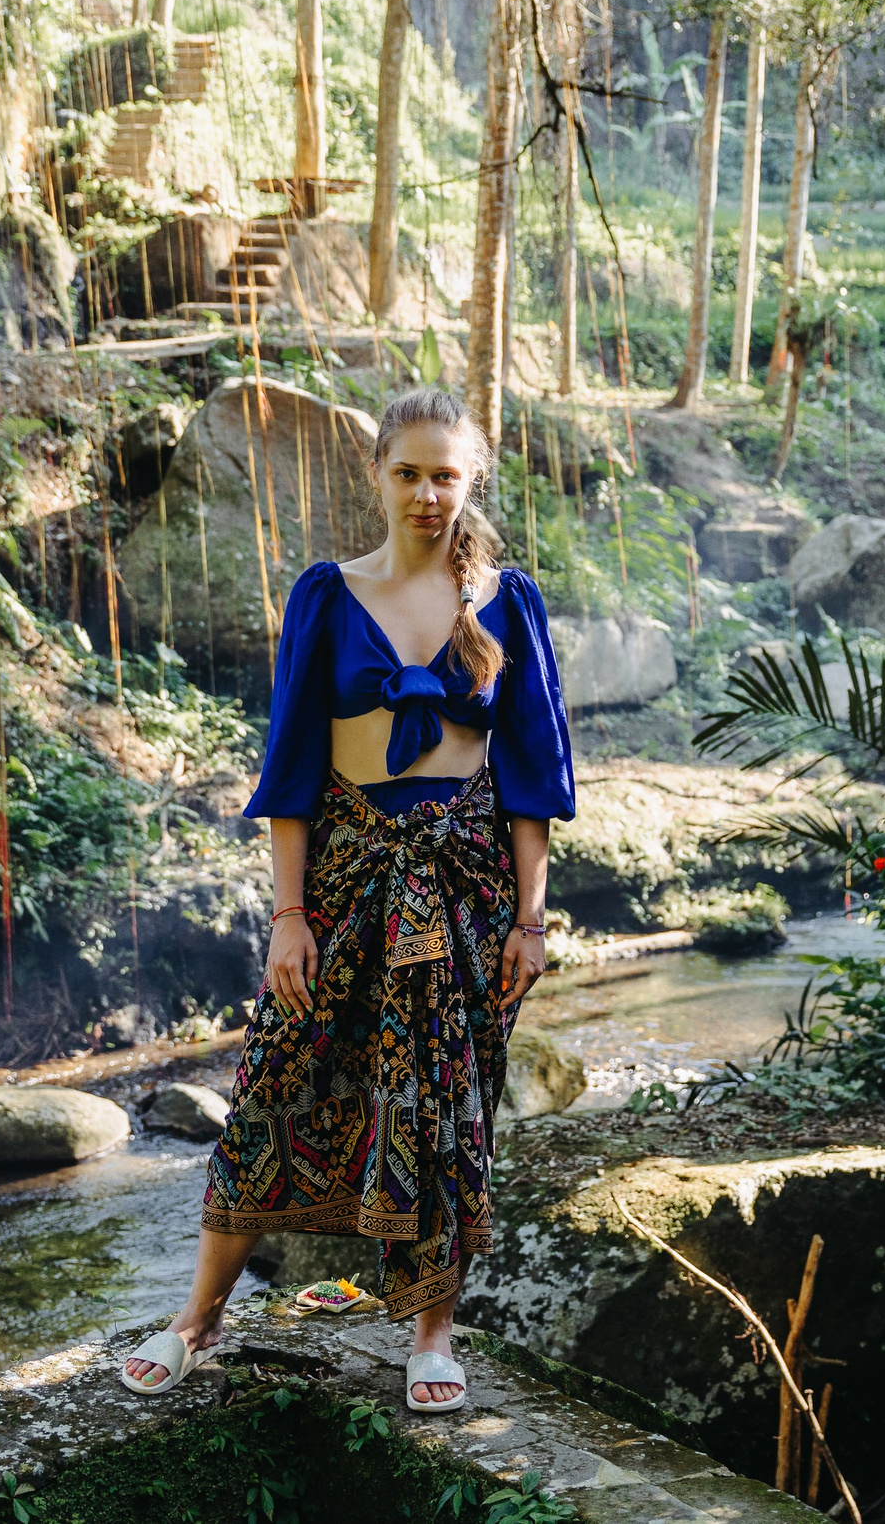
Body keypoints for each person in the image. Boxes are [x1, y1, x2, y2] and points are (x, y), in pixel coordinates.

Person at [118, 387, 574, 1415]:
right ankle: (198, 1318)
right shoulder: (326, 595)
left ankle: (431, 1333)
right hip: (343, 874)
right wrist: (288, 914)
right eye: (407, 472)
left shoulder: (509, 601)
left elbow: (536, 776)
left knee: (447, 1101)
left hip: (461, 886)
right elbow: (289, 764)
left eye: (445, 475)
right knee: (278, 1079)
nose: (425, 493)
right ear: (374, 473)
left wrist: (530, 918)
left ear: (473, 481)